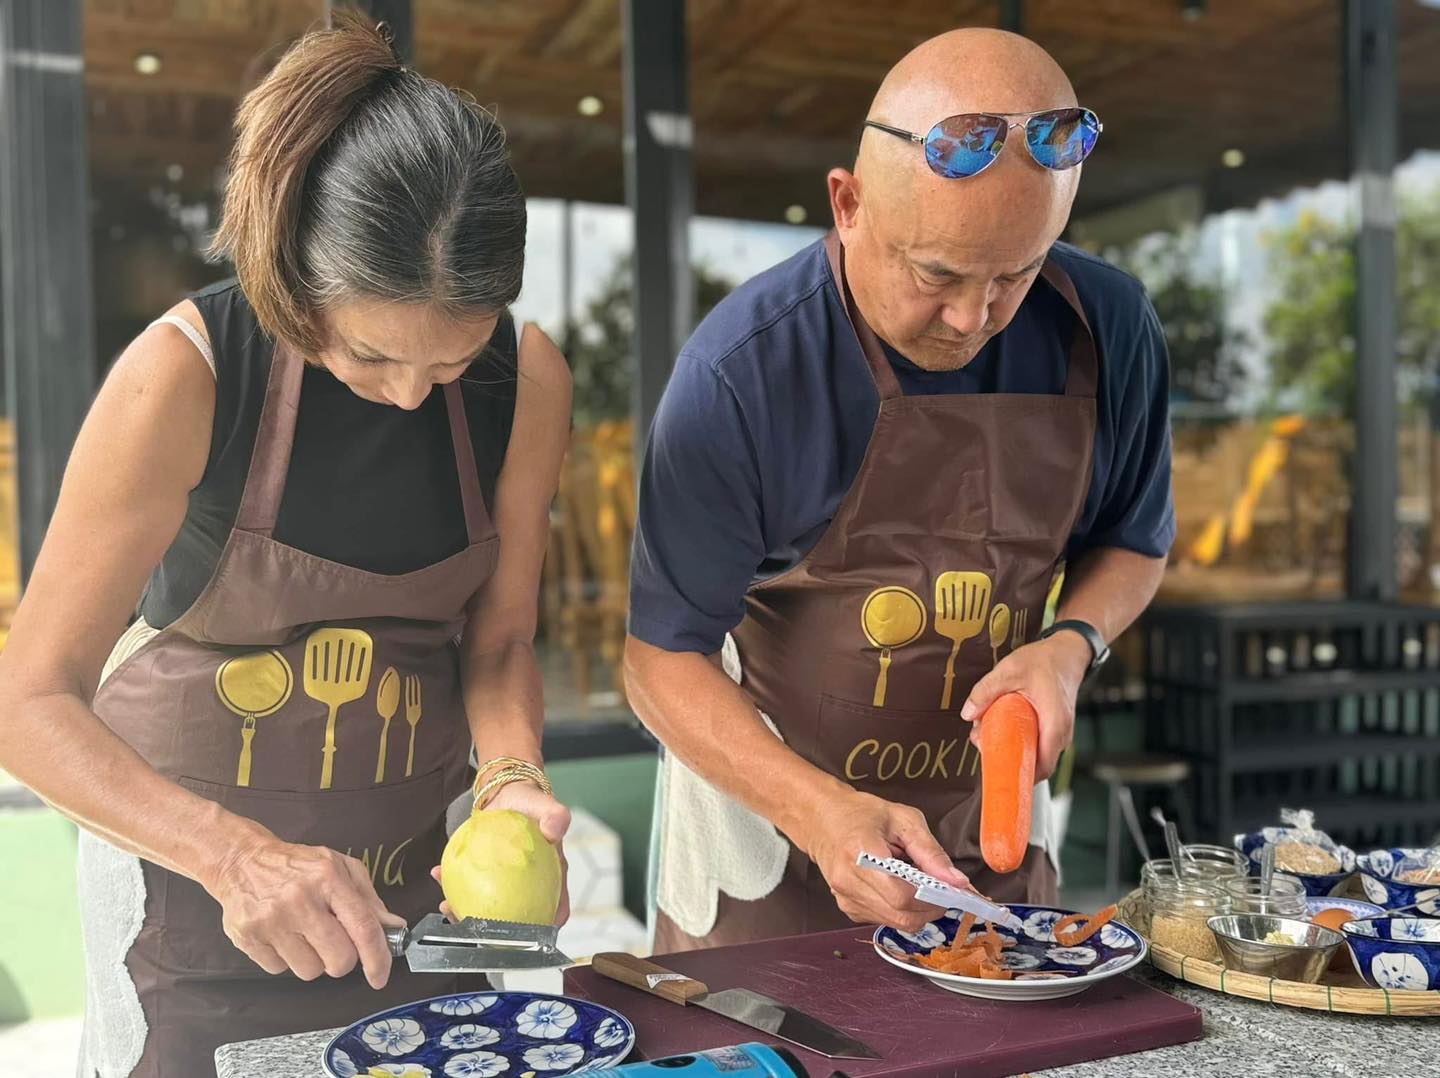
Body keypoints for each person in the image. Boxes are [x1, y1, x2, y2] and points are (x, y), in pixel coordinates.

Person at [0, 14, 572, 1075]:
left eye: (450, 363)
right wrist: (232, 856)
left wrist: (510, 777)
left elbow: (498, 642)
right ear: (297, 277)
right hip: (189, 902)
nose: (412, 396)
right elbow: (26, 701)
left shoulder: (526, 380)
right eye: (372, 353)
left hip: (419, 905)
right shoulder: (185, 374)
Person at [625, 28, 1174, 952]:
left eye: (1017, 274)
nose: (972, 318)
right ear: (847, 204)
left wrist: (1070, 644)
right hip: (771, 850)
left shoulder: (1109, 327)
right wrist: (819, 812)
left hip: (989, 844)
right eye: (937, 274)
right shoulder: (743, 371)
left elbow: (1134, 539)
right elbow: (658, 661)